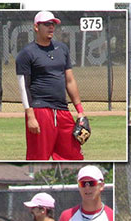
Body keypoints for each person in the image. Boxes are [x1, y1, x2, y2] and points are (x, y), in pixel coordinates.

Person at [15, 11, 86, 160]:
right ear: (36, 27)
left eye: (53, 24)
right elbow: (24, 87)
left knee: (72, 155)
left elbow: (70, 80)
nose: (51, 27)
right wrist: (30, 116)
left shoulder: (62, 49)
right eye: (47, 24)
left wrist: (80, 111)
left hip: (62, 109)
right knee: (38, 157)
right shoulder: (26, 53)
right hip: (40, 110)